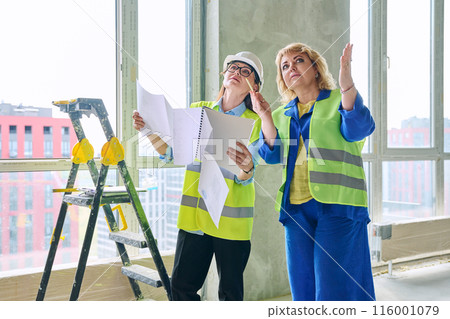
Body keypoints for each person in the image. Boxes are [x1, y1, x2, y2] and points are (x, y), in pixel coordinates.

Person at [132, 51, 263, 301]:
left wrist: (246, 167)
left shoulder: (256, 122)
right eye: (232, 68)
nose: (236, 72)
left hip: (231, 224)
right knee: (181, 290)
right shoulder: (196, 111)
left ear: (254, 86)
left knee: (230, 295)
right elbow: (170, 153)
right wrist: (147, 129)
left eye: (245, 71)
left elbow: (248, 173)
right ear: (224, 76)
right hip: (195, 221)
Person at [251, 42, 376, 301]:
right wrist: (264, 116)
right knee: (303, 288)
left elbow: (359, 129)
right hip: (296, 209)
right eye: (284, 66)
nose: (291, 68)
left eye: (298, 60)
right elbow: (271, 155)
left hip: (338, 207)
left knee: (334, 290)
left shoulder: (337, 101)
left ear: (316, 69)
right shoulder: (281, 114)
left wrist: (347, 85)